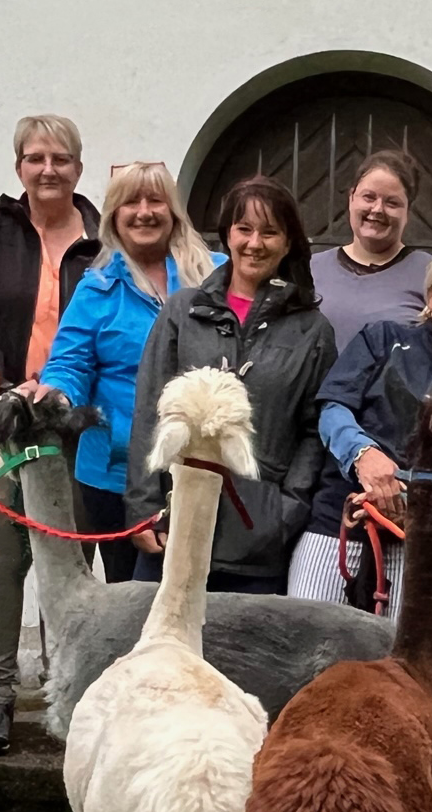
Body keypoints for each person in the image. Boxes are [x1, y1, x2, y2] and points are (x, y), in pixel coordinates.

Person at [0, 115, 99, 755]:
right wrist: (9, 386)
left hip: (74, 421)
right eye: (36, 158)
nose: (48, 169)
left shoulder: (101, 239)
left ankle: (67, 692)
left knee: (68, 559)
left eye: (60, 158)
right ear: (19, 168)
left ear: (78, 168)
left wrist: (60, 393)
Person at [125, 176, 337, 593]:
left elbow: (315, 431)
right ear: (227, 235)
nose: (255, 243)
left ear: (288, 243)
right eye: (244, 229)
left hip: (257, 538)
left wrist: (285, 513)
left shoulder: (312, 331)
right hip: (174, 523)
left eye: (270, 232)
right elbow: (150, 408)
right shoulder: (183, 312)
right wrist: (143, 507)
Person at [290, 238, 432, 616]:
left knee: (405, 653)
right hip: (336, 526)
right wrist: (364, 456)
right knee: (308, 643)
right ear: (431, 293)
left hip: (423, 547)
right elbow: (333, 407)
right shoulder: (381, 340)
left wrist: (406, 497)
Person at [28, 161, 222, 583]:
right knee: (130, 598)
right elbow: (70, 362)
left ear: (174, 211)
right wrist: (57, 392)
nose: (144, 212)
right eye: (131, 202)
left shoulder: (216, 276)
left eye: (155, 201)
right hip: (114, 473)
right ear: (114, 215)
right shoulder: (96, 286)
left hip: (202, 463)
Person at [310, 150, 432, 351]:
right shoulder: (311, 270)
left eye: (392, 203)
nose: (377, 209)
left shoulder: (431, 274)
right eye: (369, 197)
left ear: (407, 212)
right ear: (351, 198)